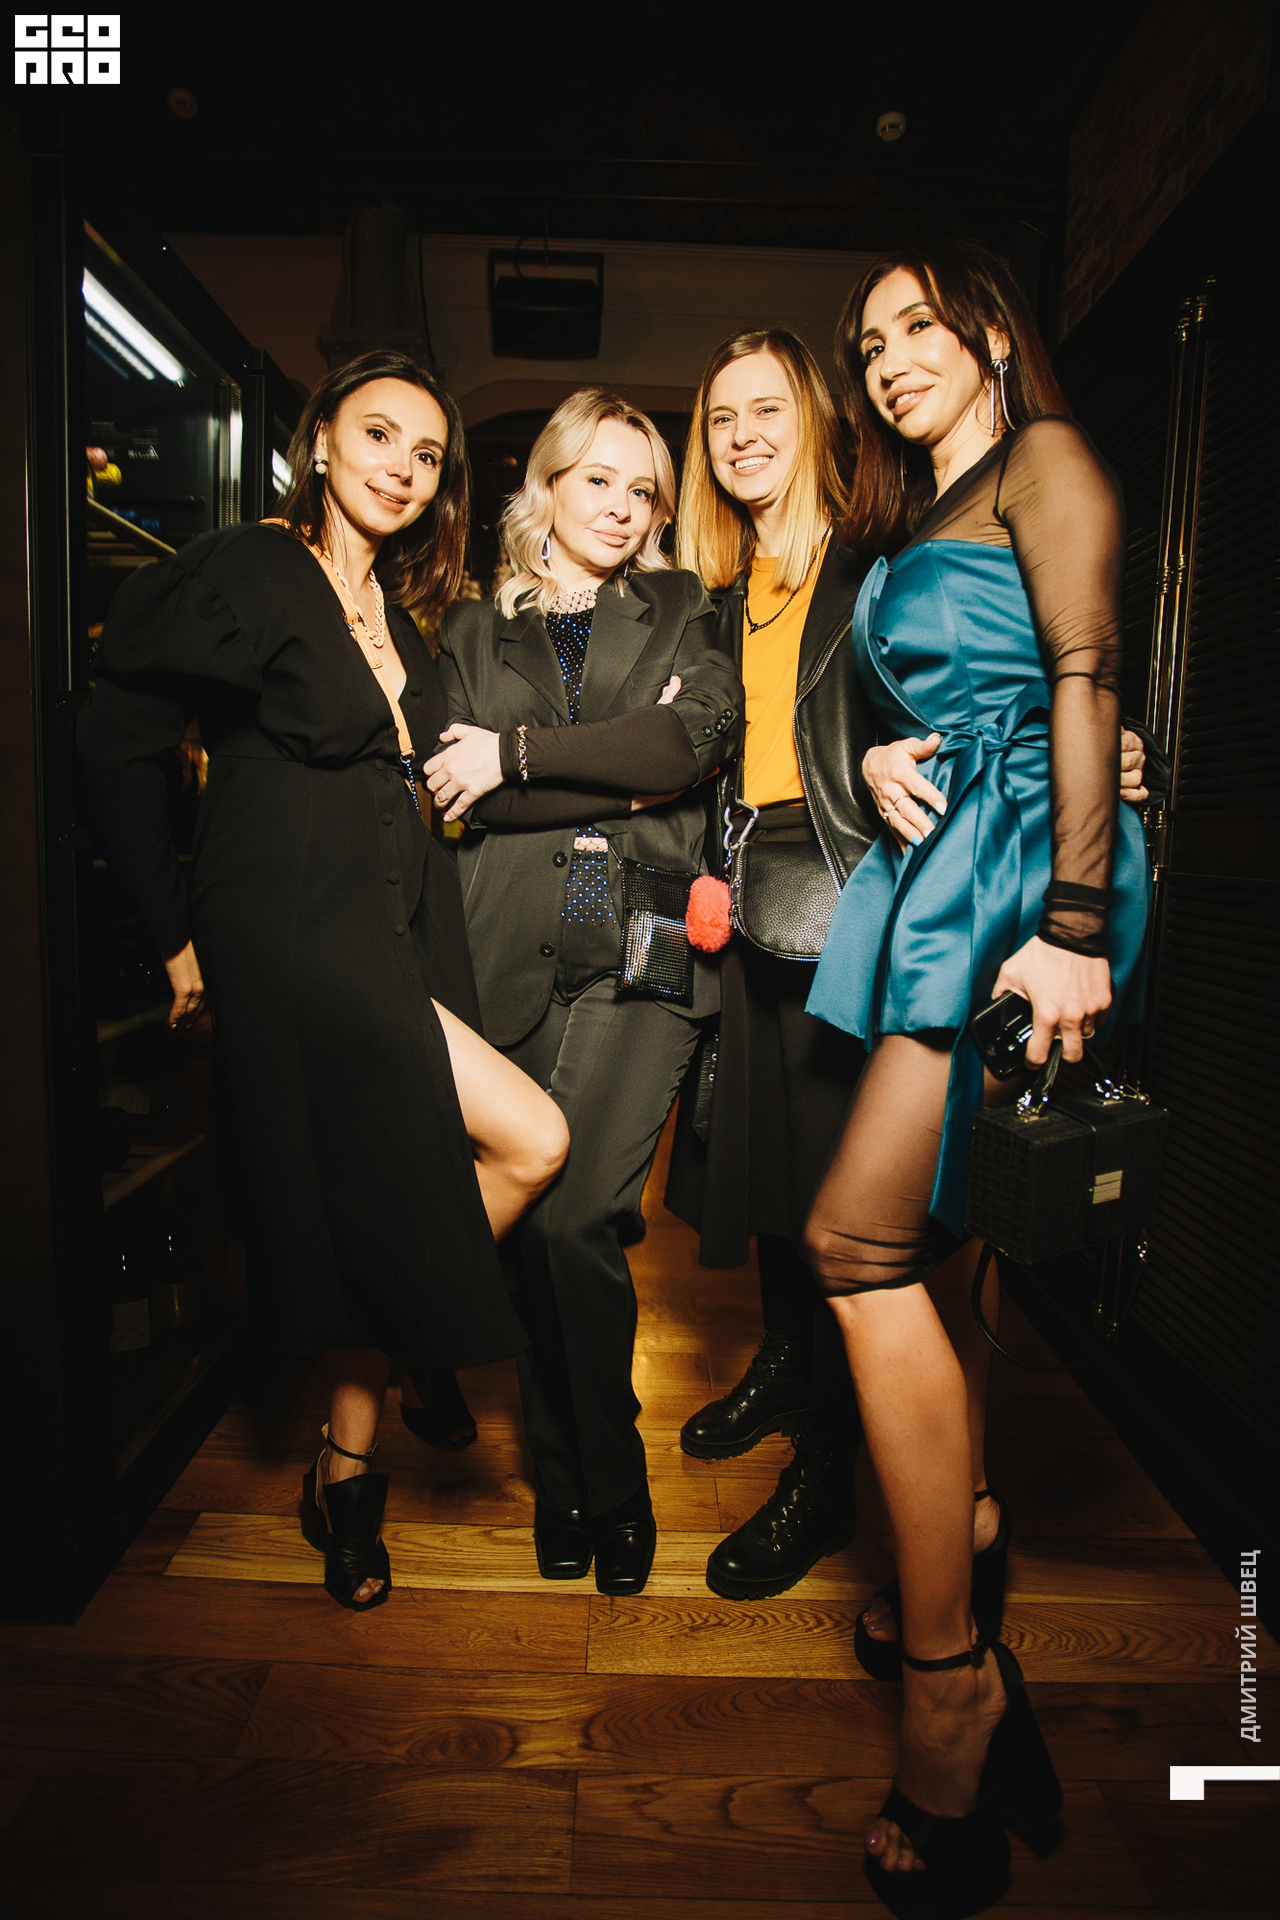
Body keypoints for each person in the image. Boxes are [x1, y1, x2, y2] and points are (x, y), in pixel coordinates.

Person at [664, 327, 1151, 1604]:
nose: (742, 437)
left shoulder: (873, 548)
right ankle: (898, 1481)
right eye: (720, 418)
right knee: (804, 1200)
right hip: (767, 901)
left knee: (874, 1228)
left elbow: (1041, 668)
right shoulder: (715, 587)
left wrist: (1097, 786)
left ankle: (853, 1488)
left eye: (767, 410)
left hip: (871, 896)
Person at [78, 349, 568, 1615]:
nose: (401, 468)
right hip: (291, 926)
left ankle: (346, 1465)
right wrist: (172, 931)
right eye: (378, 434)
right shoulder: (254, 567)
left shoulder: (397, 616)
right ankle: (394, 1372)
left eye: (426, 454)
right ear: (321, 441)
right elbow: (118, 731)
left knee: (382, 1198)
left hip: (392, 923)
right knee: (532, 1139)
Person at [802, 243, 1151, 1911]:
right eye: (870, 342)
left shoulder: (1048, 456)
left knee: (854, 1246)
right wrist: (880, 754)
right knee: (946, 1250)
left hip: (1025, 882)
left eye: (920, 326)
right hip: (957, 863)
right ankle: (970, 1544)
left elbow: (1086, 676)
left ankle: (953, 1690)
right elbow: (962, 680)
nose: (890, 359)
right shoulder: (924, 510)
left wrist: (1074, 925)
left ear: (994, 331)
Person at [424, 389, 743, 1595]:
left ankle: (611, 1480)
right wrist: (623, 775)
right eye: (595, 478)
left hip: (646, 944)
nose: (618, 506)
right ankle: (557, 1482)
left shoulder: (684, 609)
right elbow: (453, 797)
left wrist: (512, 758)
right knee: (528, 1239)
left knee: (574, 1218)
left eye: (640, 488)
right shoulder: (469, 630)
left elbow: (683, 749)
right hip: (503, 949)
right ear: (547, 486)